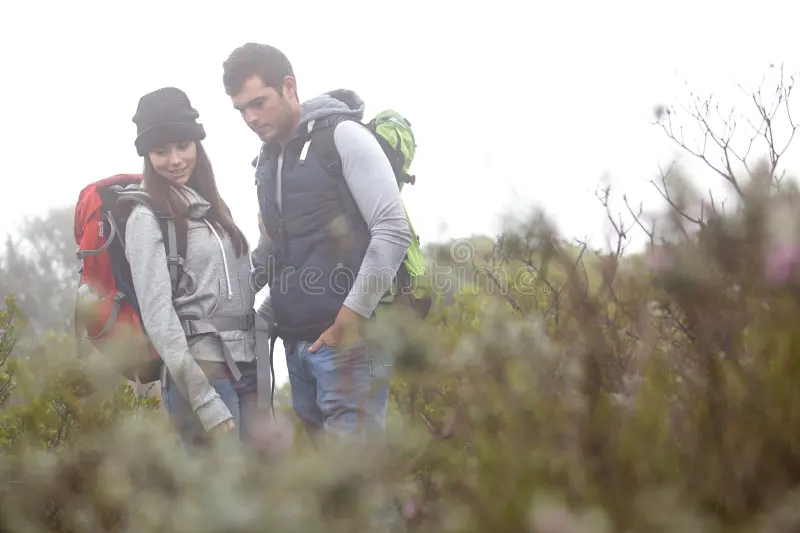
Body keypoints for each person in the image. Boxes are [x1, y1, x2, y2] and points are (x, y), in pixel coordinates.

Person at [222, 42, 413, 448]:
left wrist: (351, 317)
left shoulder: (343, 136)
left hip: (350, 344)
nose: (251, 118)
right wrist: (228, 296)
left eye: (259, 102)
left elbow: (392, 229)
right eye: (241, 109)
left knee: (357, 490)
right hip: (298, 347)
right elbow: (274, 249)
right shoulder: (267, 162)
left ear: (289, 86)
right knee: (337, 494)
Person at [125, 87, 260, 450]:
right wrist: (204, 400)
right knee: (221, 503)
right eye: (160, 151)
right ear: (147, 155)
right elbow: (159, 318)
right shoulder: (146, 217)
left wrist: (272, 244)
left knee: (257, 500)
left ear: (197, 144)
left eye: (183, 145)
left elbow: (239, 287)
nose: (174, 160)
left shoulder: (214, 210)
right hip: (202, 376)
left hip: (246, 369)